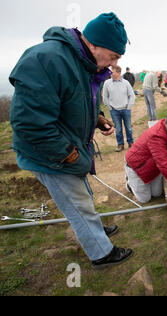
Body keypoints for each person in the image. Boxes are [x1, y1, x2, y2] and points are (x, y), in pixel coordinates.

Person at [9, 12, 133, 269]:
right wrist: (69, 154)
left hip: (70, 147)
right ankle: (101, 254)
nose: (112, 64)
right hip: (49, 155)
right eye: (112, 56)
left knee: (84, 195)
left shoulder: (83, 62)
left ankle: (95, 230)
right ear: (94, 44)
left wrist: (97, 118)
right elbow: (29, 122)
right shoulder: (47, 60)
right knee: (78, 206)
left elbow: (76, 100)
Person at [103, 65, 136, 152]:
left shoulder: (126, 83)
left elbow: (132, 95)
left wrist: (128, 107)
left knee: (128, 127)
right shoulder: (107, 83)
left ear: (118, 73)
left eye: (112, 71)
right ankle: (120, 144)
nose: (110, 73)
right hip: (114, 110)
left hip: (125, 109)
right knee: (118, 129)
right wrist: (109, 107)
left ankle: (130, 142)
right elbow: (105, 96)